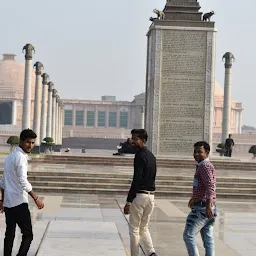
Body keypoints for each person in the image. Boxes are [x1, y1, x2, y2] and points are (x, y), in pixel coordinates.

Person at [0, 129, 45, 256]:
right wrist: (36, 198)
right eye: (28, 142)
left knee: (9, 234)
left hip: (9, 203)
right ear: (21, 141)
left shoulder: (11, 156)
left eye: (32, 143)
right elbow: (23, 182)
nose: (30, 146)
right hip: (19, 202)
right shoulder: (20, 158)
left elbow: (3, 182)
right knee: (28, 235)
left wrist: (2, 200)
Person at [123, 129, 157, 256]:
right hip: (150, 196)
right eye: (132, 138)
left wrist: (129, 201)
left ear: (143, 140)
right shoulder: (151, 156)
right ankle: (151, 253)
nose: (132, 141)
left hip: (140, 196)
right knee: (144, 227)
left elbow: (136, 179)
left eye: (135, 139)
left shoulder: (140, 155)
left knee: (134, 229)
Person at [183, 141, 217, 256]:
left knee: (188, 235)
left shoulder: (204, 166)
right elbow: (202, 186)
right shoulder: (203, 165)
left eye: (200, 152)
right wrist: (194, 197)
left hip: (203, 208)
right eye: (195, 151)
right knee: (208, 238)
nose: (196, 154)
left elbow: (210, 186)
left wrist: (208, 206)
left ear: (206, 153)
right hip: (205, 205)